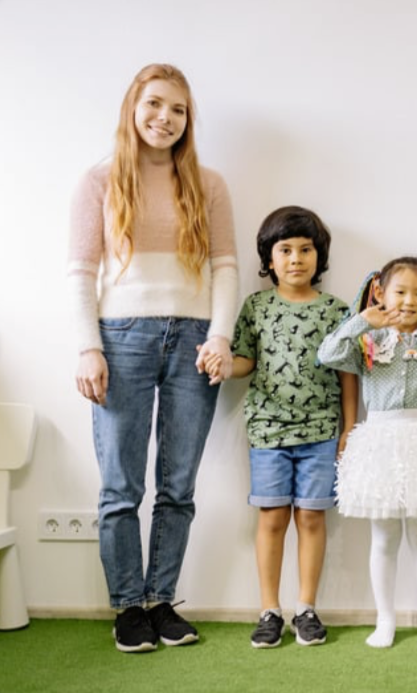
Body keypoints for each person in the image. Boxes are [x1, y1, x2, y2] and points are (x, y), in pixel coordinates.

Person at [68, 64, 238, 653]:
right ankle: (126, 607)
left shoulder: (208, 183)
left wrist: (219, 336)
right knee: (121, 486)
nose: (165, 119)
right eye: (155, 105)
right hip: (121, 337)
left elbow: (225, 267)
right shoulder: (99, 180)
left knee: (178, 484)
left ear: (189, 120)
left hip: (195, 339)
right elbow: (81, 272)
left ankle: (161, 601)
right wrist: (89, 346)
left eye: (179, 110)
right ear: (132, 108)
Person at [212, 206, 357, 648]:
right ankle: (269, 609)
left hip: (320, 431)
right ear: (269, 258)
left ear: (319, 256)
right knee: (272, 518)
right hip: (268, 432)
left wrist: (349, 428)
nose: (296, 258)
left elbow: (347, 373)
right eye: (286, 249)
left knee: (311, 517)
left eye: (306, 249)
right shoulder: (256, 307)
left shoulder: (337, 311)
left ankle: (306, 608)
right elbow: (245, 362)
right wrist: (220, 362)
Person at [317, 257, 417, 649]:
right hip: (380, 441)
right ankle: (384, 619)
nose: (409, 301)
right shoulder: (368, 342)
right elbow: (328, 354)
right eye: (400, 292)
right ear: (380, 294)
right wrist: (362, 322)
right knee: (383, 539)